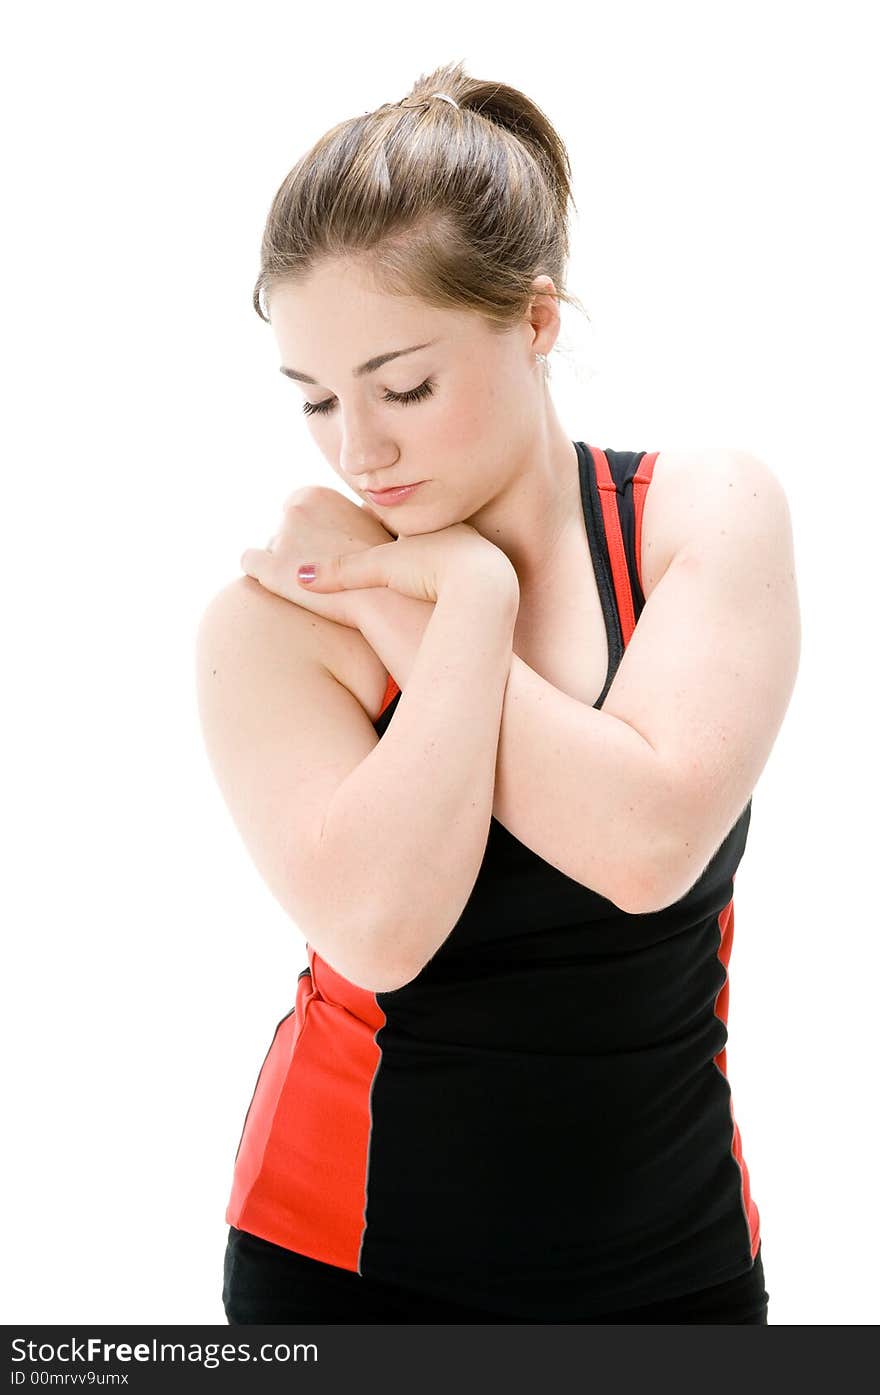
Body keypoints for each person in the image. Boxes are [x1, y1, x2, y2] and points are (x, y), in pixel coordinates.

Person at [195, 59, 800, 1324]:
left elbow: (644, 850)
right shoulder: (281, 618)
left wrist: (457, 604)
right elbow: (378, 931)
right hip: (343, 1271)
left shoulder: (700, 517)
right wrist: (458, 601)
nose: (360, 450)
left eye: (402, 385)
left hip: (675, 1271)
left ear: (533, 321)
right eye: (315, 398)